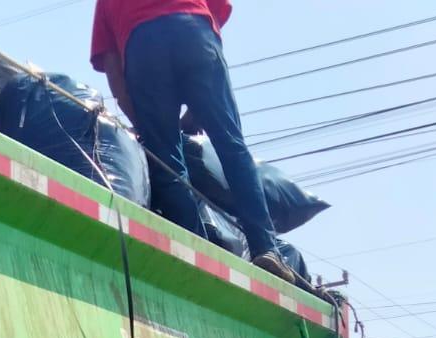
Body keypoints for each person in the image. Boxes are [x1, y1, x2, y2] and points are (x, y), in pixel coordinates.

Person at [90, 0, 296, 283]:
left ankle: (195, 248)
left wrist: (147, 124)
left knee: (168, 162)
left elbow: (113, 68)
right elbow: (215, 15)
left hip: (143, 47)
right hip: (194, 31)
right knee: (231, 145)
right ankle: (265, 248)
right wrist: (199, 109)